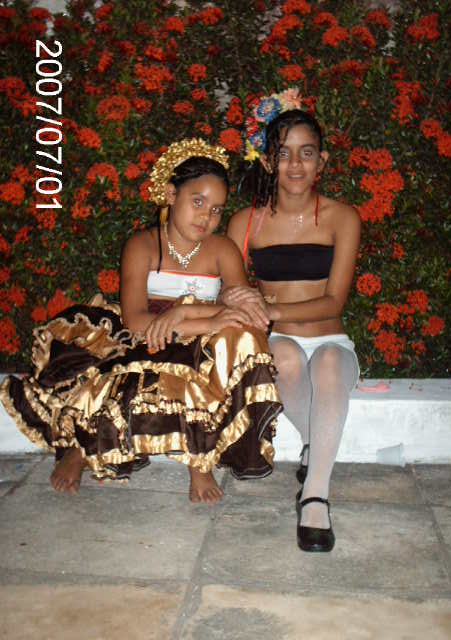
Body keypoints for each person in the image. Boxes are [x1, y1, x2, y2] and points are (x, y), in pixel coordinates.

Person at [0, 138, 282, 503]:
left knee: (241, 340)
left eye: (216, 210)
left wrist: (185, 313)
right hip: (145, 336)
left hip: (200, 339)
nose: (206, 217)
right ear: (171, 194)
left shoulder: (222, 249)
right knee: (120, 376)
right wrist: (189, 317)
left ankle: (200, 459)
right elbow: (135, 321)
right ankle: (79, 449)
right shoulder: (142, 245)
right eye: (197, 202)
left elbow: (240, 313)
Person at [226, 100, 361, 551]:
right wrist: (239, 301)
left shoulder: (342, 217)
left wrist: (272, 310)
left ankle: (315, 497)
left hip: (331, 339)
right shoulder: (246, 222)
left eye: (307, 153)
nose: (296, 164)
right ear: (268, 161)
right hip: (280, 341)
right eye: (283, 153)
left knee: (327, 360)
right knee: (281, 355)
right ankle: (314, 444)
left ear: (322, 160)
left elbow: (334, 301)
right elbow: (227, 285)